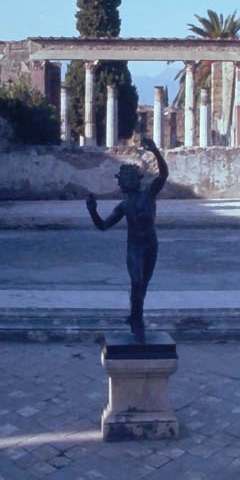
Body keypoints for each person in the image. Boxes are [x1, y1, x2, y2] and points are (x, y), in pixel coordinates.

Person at [86, 137, 168, 342]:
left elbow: (164, 175)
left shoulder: (149, 195)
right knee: (137, 283)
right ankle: (138, 323)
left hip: (151, 246)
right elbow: (103, 226)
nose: (120, 184)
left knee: (143, 287)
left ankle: (134, 318)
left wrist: (156, 151)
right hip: (135, 249)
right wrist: (92, 211)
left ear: (132, 180)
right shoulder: (124, 206)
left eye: (122, 180)